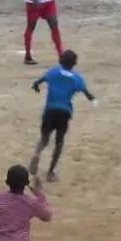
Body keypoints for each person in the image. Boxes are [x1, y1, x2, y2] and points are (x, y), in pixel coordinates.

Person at [30, 49, 96, 182]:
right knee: (59, 142)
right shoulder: (76, 78)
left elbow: (39, 81)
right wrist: (93, 100)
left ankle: (37, 154)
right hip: (64, 112)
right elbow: (86, 93)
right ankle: (51, 172)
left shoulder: (53, 72)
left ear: (60, 60)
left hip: (50, 109)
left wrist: (36, 85)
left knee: (44, 138)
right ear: (74, 63)